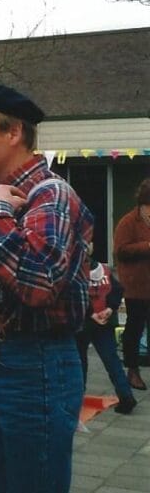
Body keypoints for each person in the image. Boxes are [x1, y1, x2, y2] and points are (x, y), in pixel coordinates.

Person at [0, 83, 93, 493]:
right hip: (6, 360)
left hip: (36, 366)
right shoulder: (8, 195)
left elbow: (38, 284)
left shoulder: (48, 194)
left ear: (13, 132)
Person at [76, 258, 137, 414]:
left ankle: (77, 398)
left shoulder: (76, 271)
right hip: (105, 321)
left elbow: (76, 296)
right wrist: (110, 309)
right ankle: (126, 396)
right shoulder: (105, 270)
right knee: (111, 360)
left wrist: (91, 314)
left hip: (84, 323)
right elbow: (117, 289)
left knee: (80, 361)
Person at [114, 177, 150, 391]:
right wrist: (147, 246)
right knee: (135, 328)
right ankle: (132, 370)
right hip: (137, 286)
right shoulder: (129, 222)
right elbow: (120, 251)